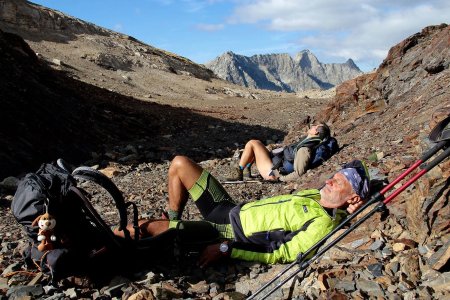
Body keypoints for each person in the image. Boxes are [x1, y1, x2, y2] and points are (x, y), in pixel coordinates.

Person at [114, 156, 369, 267]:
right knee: (180, 163)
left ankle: (100, 244)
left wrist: (225, 249)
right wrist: (349, 209)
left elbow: (280, 254)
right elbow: (341, 204)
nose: (330, 181)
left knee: (145, 226)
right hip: (228, 208)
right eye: (334, 176)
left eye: (339, 182)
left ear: (353, 196)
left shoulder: (322, 225)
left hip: (226, 231)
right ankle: (172, 221)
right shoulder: (317, 196)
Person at [228, 122, 332, 182]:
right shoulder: (307, 142)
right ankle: (246, 172)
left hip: (272, 172)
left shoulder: (304, 149)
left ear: (316, 132)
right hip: (274, 164)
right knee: (257, 143)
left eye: (315, 126)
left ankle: (239, 172)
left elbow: (299, 172)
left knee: (252, 143)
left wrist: (280, 179)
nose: (312, 126)